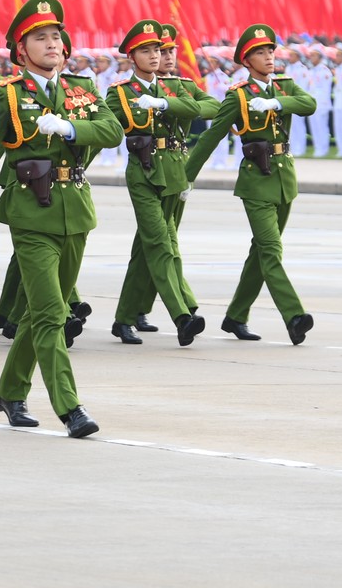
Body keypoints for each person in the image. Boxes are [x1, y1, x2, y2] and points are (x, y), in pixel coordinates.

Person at [0, 0, 118, 438]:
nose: (52, 43)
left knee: (39, 313)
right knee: (53, 313)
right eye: (41, 37)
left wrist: (72, 127)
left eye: (56, 35)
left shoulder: (83, 90)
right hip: (31, 214)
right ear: (21, 49)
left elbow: (112, 130)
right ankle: (70, 407)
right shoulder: (9, 97)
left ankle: (11, 391)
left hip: (76, 212)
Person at [185, 24, 318, 345]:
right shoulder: (239, 95)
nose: (269, 57)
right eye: (260, 52)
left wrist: (277, 104)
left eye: (271, 51)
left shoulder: (285, 87)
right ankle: (294, 316)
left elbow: (309, 104)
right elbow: (210, 137)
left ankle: (235, 316)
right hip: (256, 182)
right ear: (247, 60)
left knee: (260, 252)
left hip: (284, 179)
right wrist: (186, 176)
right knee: (271, 250)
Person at [107, 19, 203, 346]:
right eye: (145, 51)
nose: (154, 55)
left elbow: (208, 106)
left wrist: (165, 103)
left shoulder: (174, 88)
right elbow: (102, 127)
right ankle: (183, 314)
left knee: (147, 249)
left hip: (174, 173)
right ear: (131, 57)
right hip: (143, 174)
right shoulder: (120, 92)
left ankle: (124, 319)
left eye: (157, 50)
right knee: (162, 243)